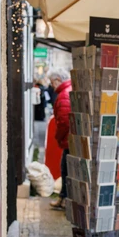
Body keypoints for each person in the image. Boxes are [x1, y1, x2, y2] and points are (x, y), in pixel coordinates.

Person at [48, 68, 71, 209]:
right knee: (66, 169)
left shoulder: (63, 95)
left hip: (68, 140)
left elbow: (64, 121)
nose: (51, 85)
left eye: (52, 82)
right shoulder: (68, 91)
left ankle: (64, 199)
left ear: (57, 80)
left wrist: (58, 136)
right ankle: (63, 198)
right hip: (70, 139)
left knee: (66, 169)